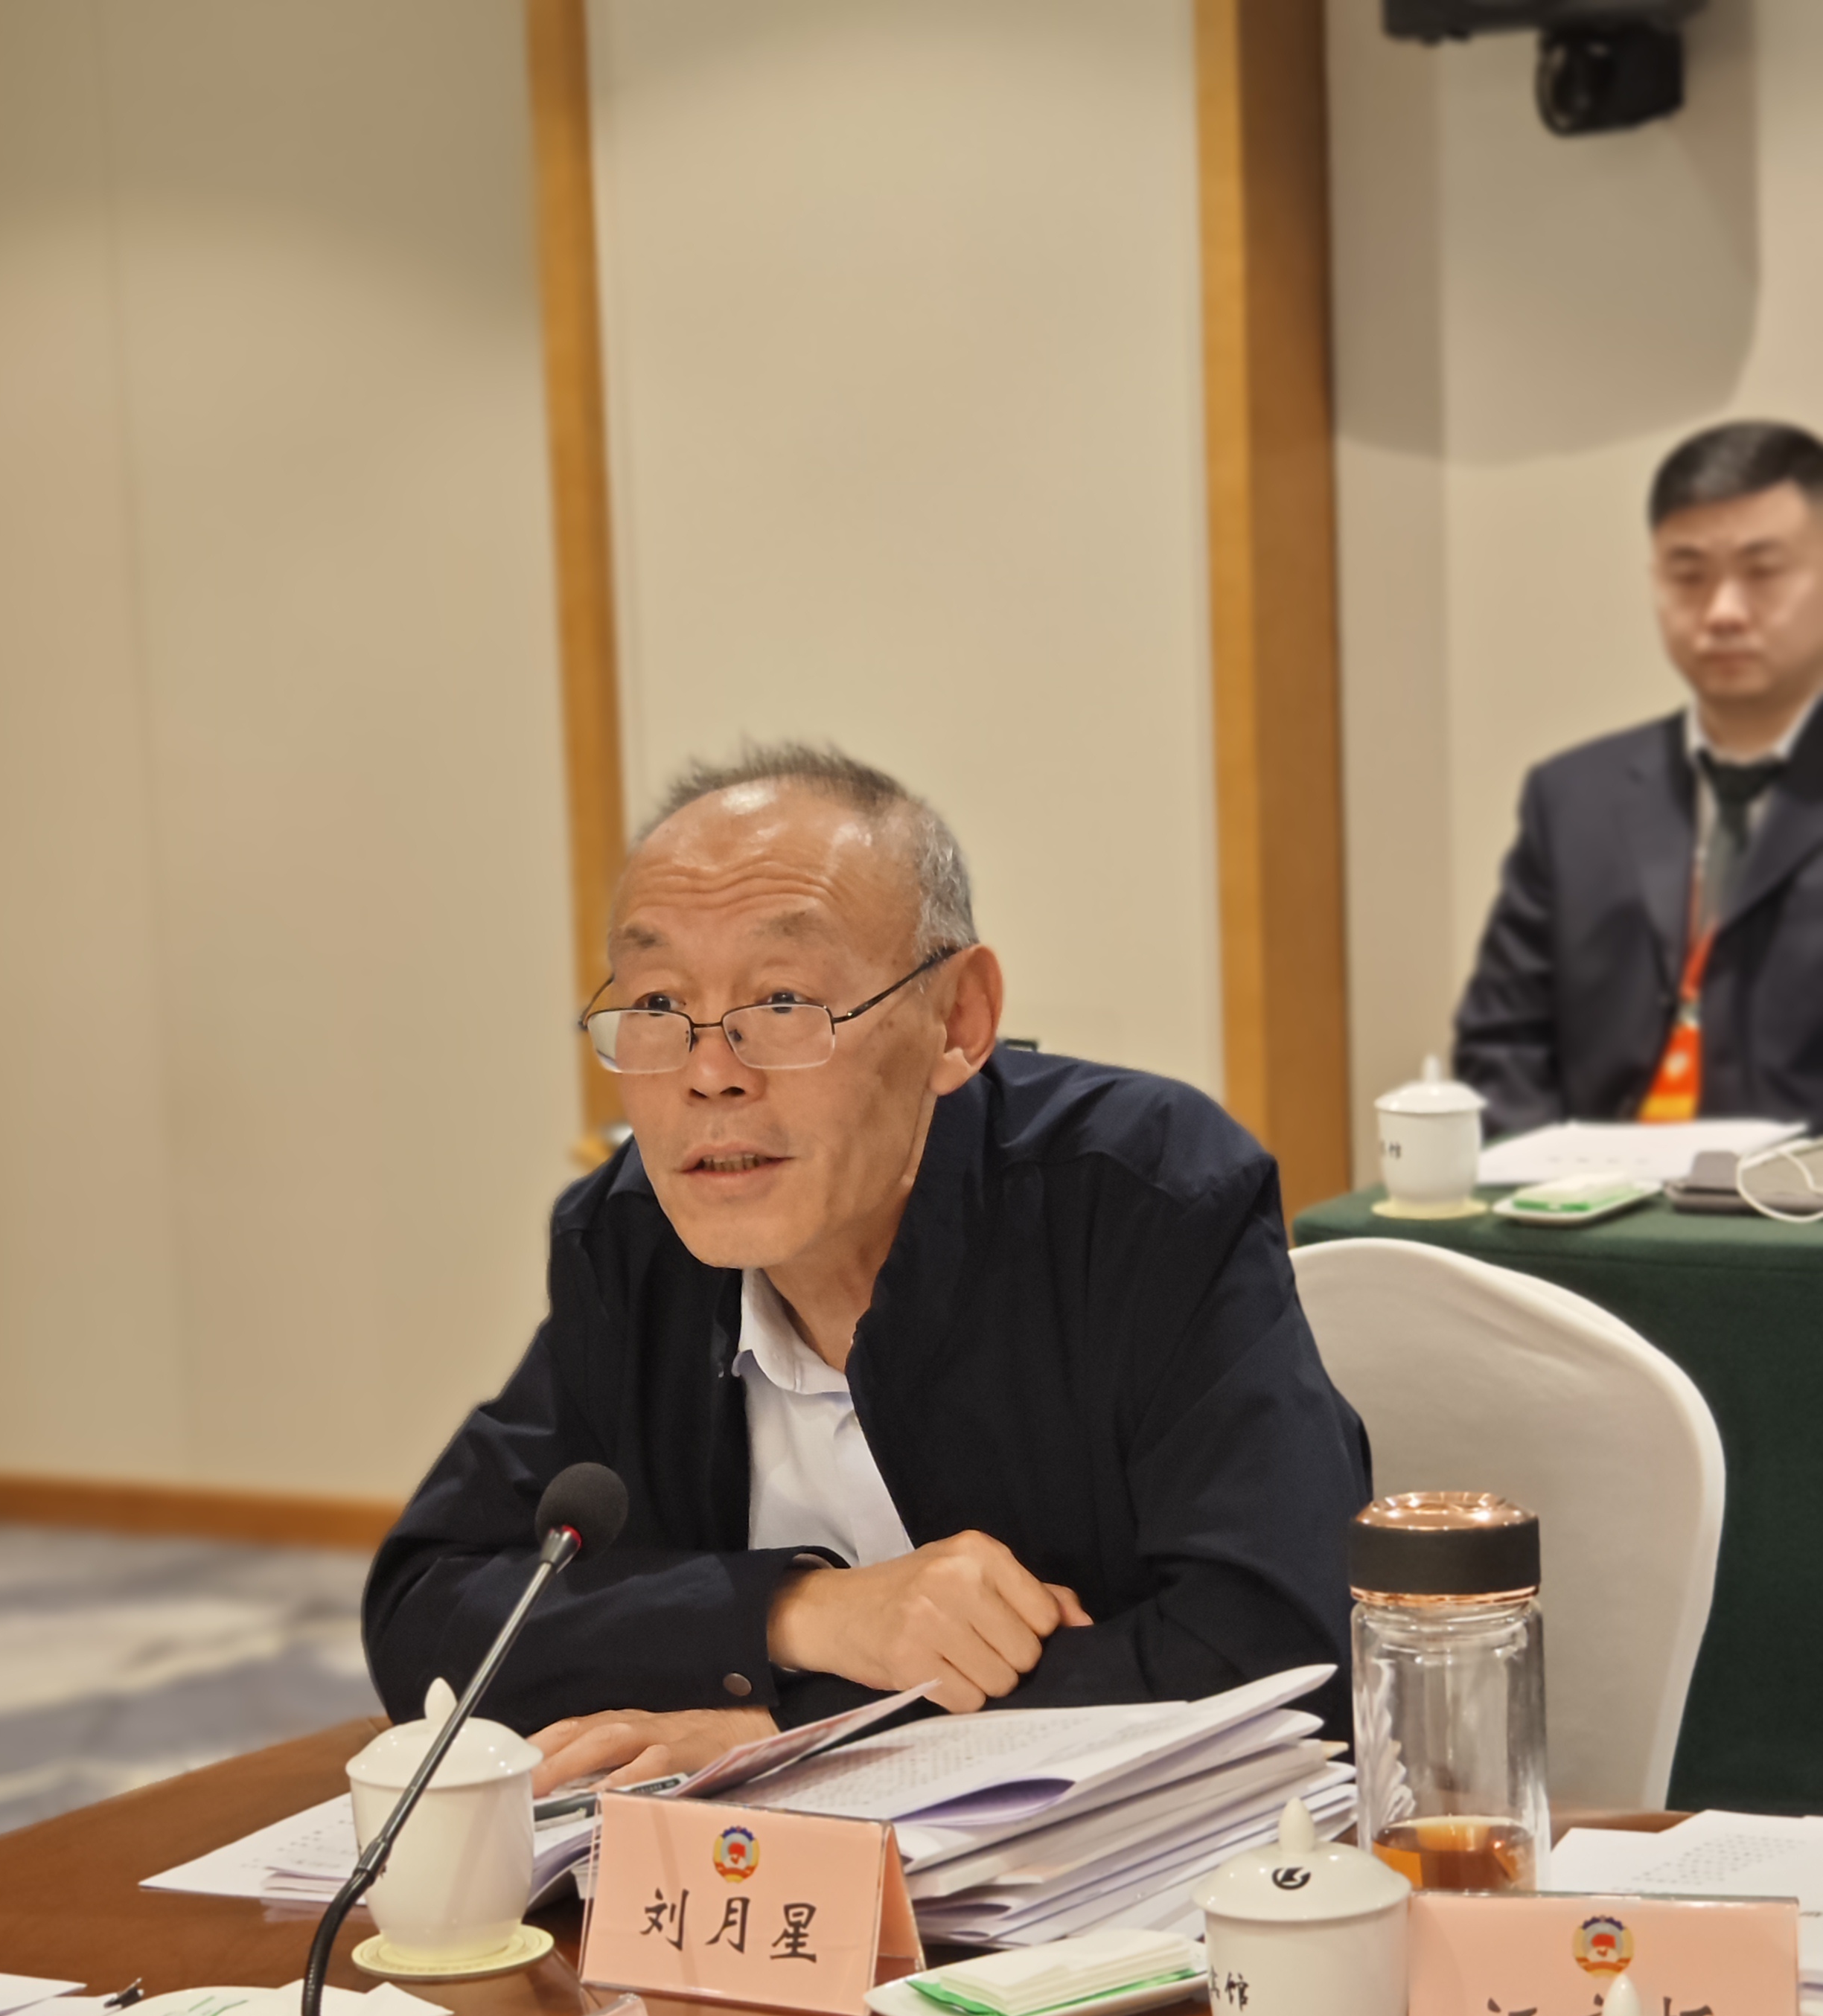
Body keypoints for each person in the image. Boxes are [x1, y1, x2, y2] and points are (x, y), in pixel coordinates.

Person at [363, 744, 1370, 1792]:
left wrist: (793, 1733)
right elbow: (429, 1615)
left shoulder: (1139, 1196)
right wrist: (801, 1613)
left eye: (783, 1001)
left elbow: (1287, 1652)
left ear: (959, 1022)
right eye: (657, 1006)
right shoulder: (630, 1240)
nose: (710, 1075)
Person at [1455, 420, 1823, 1135]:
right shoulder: (1571, 800)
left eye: (1763, 571)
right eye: (1688, 575)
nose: (1723, 612)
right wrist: (1551, 1186)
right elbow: (1502, 1045)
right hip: (1592, 1198)